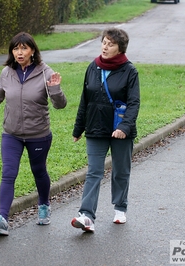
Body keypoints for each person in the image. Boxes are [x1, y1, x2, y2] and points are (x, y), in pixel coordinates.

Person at [0, 32, 67, 236]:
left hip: (38, 134)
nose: (19, 52)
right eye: (16, 48)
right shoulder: (7, 73)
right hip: (12, 135)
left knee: (39, 171)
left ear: (32, 50)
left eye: (24, 48)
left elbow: (60, 105)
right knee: (8, 174)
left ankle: (44, 205)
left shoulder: (45, 72)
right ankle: (2, 219)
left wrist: (55, 89)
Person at [70, 27, 140, 232]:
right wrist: (78, 128)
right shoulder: (93, 67)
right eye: (104, 42)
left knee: (120, 170)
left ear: (120, 48)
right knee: (94, 171)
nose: (105, 47)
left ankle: (120, 208)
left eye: (111, 44)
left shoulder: (130, 71)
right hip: (95, 126)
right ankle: (87, 215)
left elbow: (134, 102)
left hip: (120, 130)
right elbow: (85, 99)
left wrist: (125, 127)